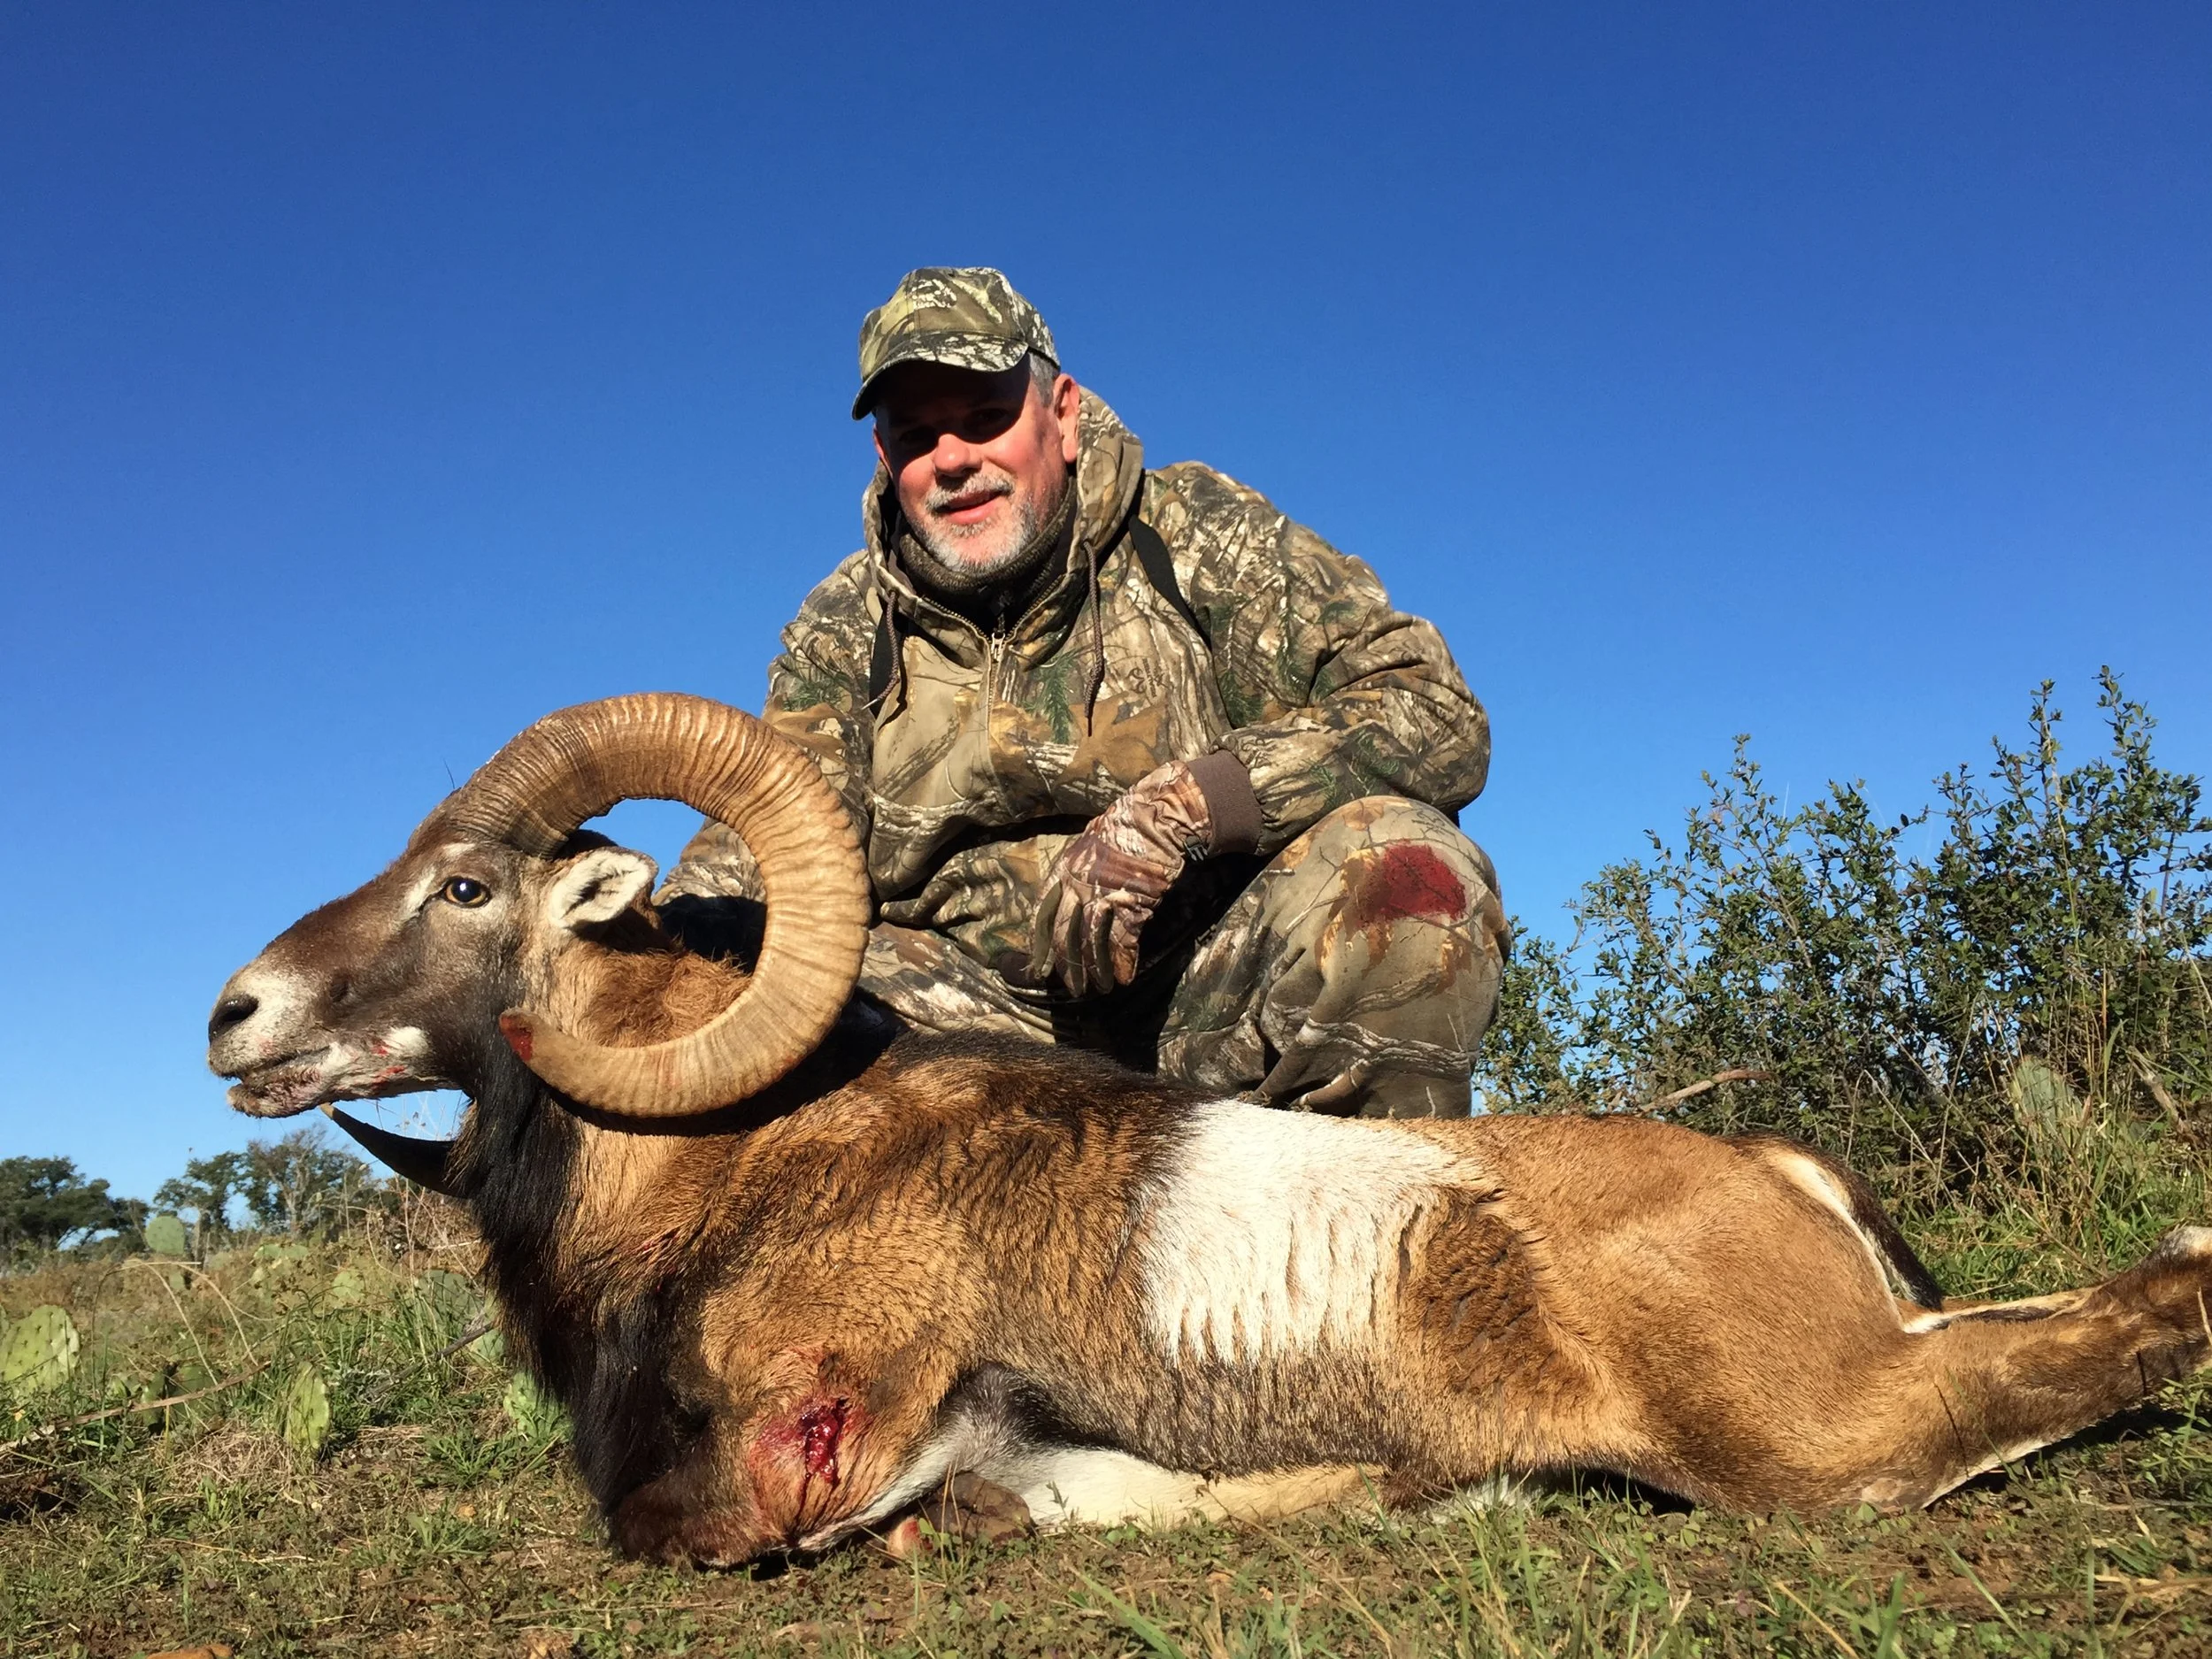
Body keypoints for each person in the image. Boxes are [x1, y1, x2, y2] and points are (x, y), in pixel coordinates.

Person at [662, 267, 1508, 1117]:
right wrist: (649, 932)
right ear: (886, 458)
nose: (952, 460)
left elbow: (1432, 709)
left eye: (985, 418)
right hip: (947, 1034)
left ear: (1062, 415)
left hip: (1203, 996)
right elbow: (775, 821)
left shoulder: (1197, 534)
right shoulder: (845, 624)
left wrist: (1186, 806)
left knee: (1408, 873)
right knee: (727, 969)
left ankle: (1364, 1199)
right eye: (917, 435)